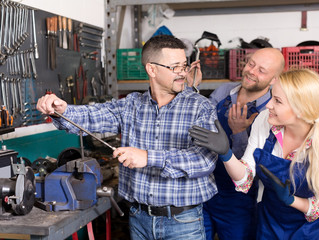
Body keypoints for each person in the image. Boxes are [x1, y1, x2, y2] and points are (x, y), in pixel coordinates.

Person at [36, 35, 218, 240]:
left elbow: (205, 160)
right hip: (139, 219)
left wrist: (148, 157)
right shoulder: (131, 105)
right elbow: (91, 116)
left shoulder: (200, 107)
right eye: (175, 67)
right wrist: (61, 110)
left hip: (183, 222)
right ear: (152, 69)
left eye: (184, 66)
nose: (183, 73)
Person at [189, 68, 319, 239]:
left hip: (311, 229)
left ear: (301, 109)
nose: (268, 104)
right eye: (271, 96)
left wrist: (292, 200)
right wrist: (226, 154)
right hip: (271, 222)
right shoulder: (264, 121)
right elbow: (245, 178)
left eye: (277, 101)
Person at [202, 48, 285, 240]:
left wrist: (239, 133)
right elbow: (202, 122)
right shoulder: (223, 91)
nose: (252, 71)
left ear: (274, 80)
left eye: (262, 70)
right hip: (205, 188)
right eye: (251, 64)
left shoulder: (271, 112)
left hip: (240, 199)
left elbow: (254, 165)